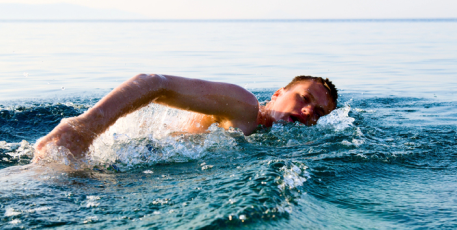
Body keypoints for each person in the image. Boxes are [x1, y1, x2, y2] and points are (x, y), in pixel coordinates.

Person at [34, 74, 338, 159]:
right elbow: (155, 83)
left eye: (319, 112)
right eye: (304, 97)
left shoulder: (286, 146)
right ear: (276, 94)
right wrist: (84, 128)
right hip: (129, 154)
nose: (309, 110)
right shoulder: (243, 106)